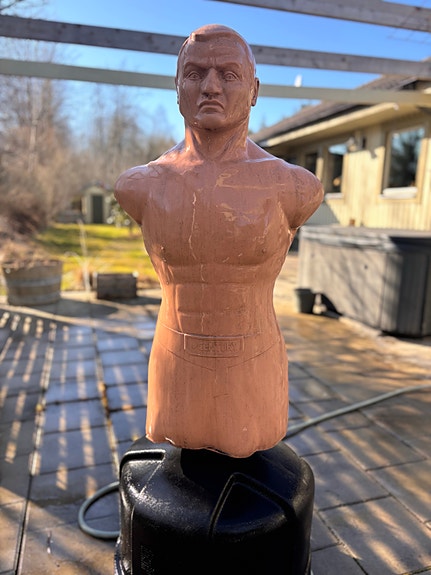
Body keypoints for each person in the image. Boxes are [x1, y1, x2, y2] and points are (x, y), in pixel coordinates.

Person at [114, 24, 323, 458]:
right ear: (177, 88)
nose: (211, 86)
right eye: (195, 73)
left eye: (228, 74)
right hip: (174, 364)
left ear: (254, 90)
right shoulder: (141, 185)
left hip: (255, 369)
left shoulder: (294, 187)